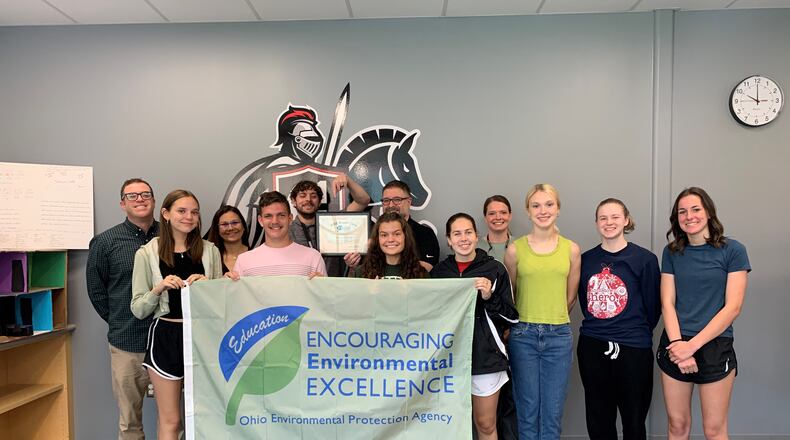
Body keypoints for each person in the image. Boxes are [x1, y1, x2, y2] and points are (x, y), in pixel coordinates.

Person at [657, 187, 749, 440]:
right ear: (677, 218)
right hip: (676, 343)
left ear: (708, 212)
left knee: (714, 430)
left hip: (714, 345)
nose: (689, 216)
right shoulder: (672, 252)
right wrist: (678, 345)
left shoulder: (733, 250)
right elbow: (667, 302)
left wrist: (692, 346)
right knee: (677, 425)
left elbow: (733, 307)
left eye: (695, 209)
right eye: (682, 212)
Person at [130, 190, 222, 440]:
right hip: (165, 337)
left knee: (205, 415)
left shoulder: (210, 251)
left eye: (194, 212)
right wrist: (158, 288)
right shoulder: (146, 253)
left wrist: (208, 285)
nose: (189, 217)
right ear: (166, 214)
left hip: (202, 339)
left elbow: (221, 305)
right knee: (171, 421)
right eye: (182, 211)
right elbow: (138, 309)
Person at [577, 198, 661, 440]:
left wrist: (630, 331)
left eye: (615, 217)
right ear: (596, 223)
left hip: (633, 347)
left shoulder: (645, 259)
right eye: (603, 218)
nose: (609, 222)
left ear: (626, 220)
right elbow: (586, 301)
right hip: (593, 345)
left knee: (634, 420)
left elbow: (653, 307)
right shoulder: (585, 260)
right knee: (598, 419)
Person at [431, 213, 519, 440]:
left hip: (485, 358)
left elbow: (511, 318)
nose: (463, 238)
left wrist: (489, 296)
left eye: (468, 232)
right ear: (449, 240)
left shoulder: (494, 269)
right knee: (448, 424)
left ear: (476, 236)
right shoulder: (439, 273)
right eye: (457, 234)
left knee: (486, 424)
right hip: (446, 359)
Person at [503, 183, 581, 440]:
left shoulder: (571, 249)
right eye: (536, 205)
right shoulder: (515, 250)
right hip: (522, 335)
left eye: (549, 204)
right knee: (527, 411)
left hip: (558, 336)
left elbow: (570, 297)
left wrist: (552, 318)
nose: (542, 210)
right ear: (527, 211)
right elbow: (511, 295)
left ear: (558, 209)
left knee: (552, 413)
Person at [86, 178, 159, 440]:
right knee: (130, 421)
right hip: (127, 342)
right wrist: (120, 319)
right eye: (132, 196)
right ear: (122, 203)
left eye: (145, 194)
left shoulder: (172, 236)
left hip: (169, 341)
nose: (140, 199)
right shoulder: (105, 242)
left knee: (174, 417)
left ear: (154, 200)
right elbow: (96, 292)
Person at [229, 191, 326, 279]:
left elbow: (324, 296)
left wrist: (322, 286)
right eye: (268, 216)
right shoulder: (244, 260)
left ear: (290, 218)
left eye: (281, 215)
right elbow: (237, 297)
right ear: (260, 221)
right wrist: (226, 284)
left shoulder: (313, 257)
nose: (275, 221)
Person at [288, 176, 370, 276]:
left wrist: (348, 180)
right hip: (302, 287)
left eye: (313, 196)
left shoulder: (334, 220)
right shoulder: (286, 230)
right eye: (302, 195)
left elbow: (363, 201)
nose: (308, 199)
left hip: (333, 286)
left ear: (319, 202)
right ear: (293, 201)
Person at [381, 180, 440, 271]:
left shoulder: (425, 234)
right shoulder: (374, 233)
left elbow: (425, 269)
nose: (391, 205)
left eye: (397, 200)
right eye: (386, 200)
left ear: (409, 202)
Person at [352, 211, 428, 279]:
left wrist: (407, 292)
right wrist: (372, 293)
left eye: (397, 234)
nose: (390, 240)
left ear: (405, 237)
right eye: (384, 235)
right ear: (377, 239)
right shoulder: (361, 273)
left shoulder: (420, 273)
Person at [206, 205, 250, 275]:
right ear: (217, 230)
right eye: (224, 224)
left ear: (243, 226)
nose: (230, 228)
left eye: (235, 223)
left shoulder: (256, 256)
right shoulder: (210, 258)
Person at [483, 195, 513, 263]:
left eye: (503, 212)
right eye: (492, 213)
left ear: (510, 216)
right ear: (485, 217)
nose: (498, 217)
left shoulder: (521, 244)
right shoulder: (474, 247)